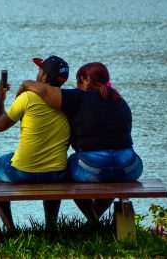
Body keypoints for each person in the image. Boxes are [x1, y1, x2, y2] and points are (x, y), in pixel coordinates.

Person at [21, 62, 143, 224]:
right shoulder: (120, 100)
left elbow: (44, 91)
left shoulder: (79, 97)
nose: (77, 86)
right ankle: (94, 221)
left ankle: (92, 222)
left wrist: (26, 83)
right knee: (114, 180)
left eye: (79, 81)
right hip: (129, 167)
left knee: (65, 171)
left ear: (87, 80)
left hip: (95, 167)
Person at [0, 56, 71, 232]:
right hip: (56, 174)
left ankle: (10, 229)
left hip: (23, 173)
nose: (37, 73)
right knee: (52, 168)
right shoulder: (69, 101)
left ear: (44, 77)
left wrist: (0, 98)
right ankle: (51, 227)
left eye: (40, 70)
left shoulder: (28, 98)